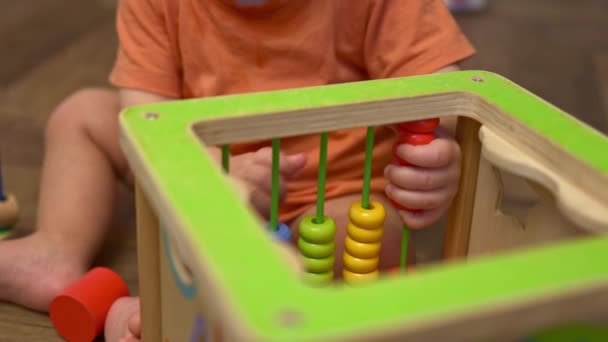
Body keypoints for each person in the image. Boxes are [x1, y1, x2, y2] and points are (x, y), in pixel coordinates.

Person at [0, 0, 474, 340]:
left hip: (330, 191)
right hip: (195, 168)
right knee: (82, 114)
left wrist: (432, 152)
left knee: (371, 235)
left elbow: (441, 93)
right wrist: (208, 178)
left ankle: (232, 305)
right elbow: (145, 117)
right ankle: (57, 250)